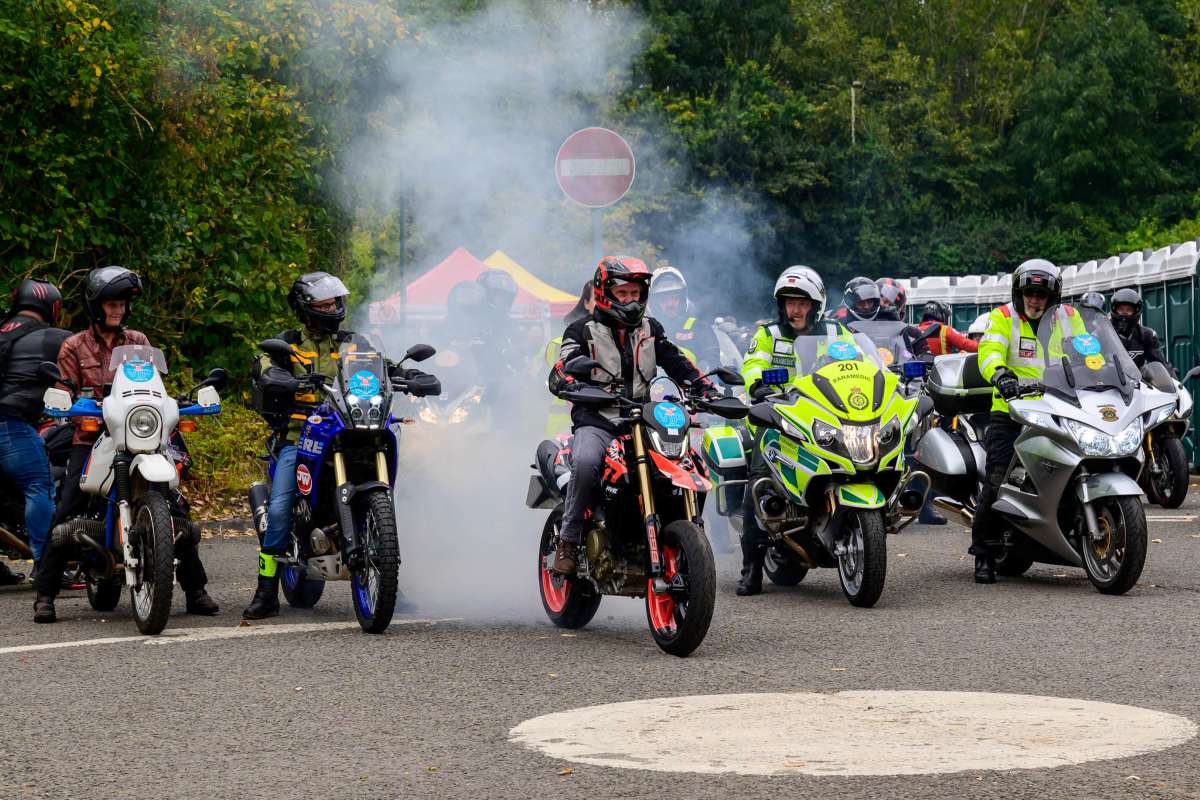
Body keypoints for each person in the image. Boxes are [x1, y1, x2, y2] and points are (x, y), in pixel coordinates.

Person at [244, 272, 438, 619]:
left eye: (334, 302)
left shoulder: (354, 342)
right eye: (323, 303)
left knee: (404, 493)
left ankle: (389, 579)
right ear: (305, 308)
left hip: (352, 429)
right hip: (300, 435)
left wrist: (410, 376)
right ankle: (266, 589)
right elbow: (264, 365)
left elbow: (381, 366)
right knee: (278, 510)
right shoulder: (287, 343)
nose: (331, 307)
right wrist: (277, 376)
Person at [34, 266, 218, 622]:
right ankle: (44, 594)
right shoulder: (74, 346)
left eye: (121, 305)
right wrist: (65, 396)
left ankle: (196, 590)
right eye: (110, 304)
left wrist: (177, 401)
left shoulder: (139, 342)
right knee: (66, 508)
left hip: (142, 438)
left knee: (176, 509)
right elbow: (64, 387)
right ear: (95, 305)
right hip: (92, 438)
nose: (117, 311)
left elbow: (156, 387)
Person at [547, 256, 714, 574]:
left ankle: (690, 535)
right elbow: (561, 370)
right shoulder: (581, 331)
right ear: (604, 292)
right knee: (585, 464)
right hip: (598, 420)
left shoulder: (651, 329)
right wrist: (571, 383)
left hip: (645, 420)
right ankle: (568, 540)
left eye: (635, 293)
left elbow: (677, 363)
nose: (630, 300)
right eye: (623, 293)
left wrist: (707, 390)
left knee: (692, 464)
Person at [737, 265, 837, 595]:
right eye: (789, 302)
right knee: (759, 484)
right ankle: (751, 567)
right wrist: (757, 386)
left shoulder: (836, 333)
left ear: (816, 305)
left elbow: (863, 362)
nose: (795, 309)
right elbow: (752, 365)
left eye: (802, 303)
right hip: (777, 420)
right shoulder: (768, 335)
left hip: (825, 418)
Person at [971, 259, 1071, 584]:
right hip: (1012, 413)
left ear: (1053, 297)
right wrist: (1000, 374)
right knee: (999, 479)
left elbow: (1091, 351)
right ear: (1019, 293)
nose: (1035, 300)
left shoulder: (1069, 320)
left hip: (1061, 410)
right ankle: (984, 553)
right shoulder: (1003, 318)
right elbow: (989, 351)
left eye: (1042, 294)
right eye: (1029, 292)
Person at [0, 279, 70, 586]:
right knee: (38, 485)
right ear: (52, 306)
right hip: (9, 424)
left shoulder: (2, 330)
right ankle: (47, 566)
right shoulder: (54, 338)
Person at [648, 266, 721, 371]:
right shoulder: (646, 330)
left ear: (682, 299)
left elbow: (712, 358)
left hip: (692, 385)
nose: (669, 304)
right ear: (654, 303)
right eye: (663, 299)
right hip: (653, 386)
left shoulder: (700, 328)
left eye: (674, 297)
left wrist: (707, 366)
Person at [1110, 288, 1174, 375]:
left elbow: (1160, 363)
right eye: (1121, 309)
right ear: (1114, 310)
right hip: (1107, 385)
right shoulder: (1103, 333)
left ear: (1136, 312)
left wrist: (1171, 378)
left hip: (1138, 385)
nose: (1124, 313)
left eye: (1129, 310)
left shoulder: (1146, 336)